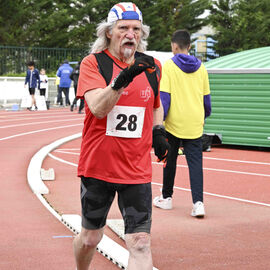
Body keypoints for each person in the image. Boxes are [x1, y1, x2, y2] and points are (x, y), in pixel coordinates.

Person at [73, 2, 170, 270]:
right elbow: (98, 108)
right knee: (90, 238)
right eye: (123, 28)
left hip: (136, 169)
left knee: (140, 241)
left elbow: (156, 104)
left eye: (136, 29)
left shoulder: (153, 66)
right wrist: (124, 77)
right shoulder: (94, 63)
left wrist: (158, 130)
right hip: (98, 167)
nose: (130, 34)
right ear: (109, 32)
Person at [153, 30, 211, 218]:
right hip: (194, 122)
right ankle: (198, 203)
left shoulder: (168, 67)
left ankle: (167, 197)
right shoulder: (201, 67)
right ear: (189, 46)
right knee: (196, 164)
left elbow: (165, 98)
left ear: (174, 46)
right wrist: (203, 115)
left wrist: (161, 121)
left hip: (174, 122)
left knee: (169, 160)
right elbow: (206, 99)